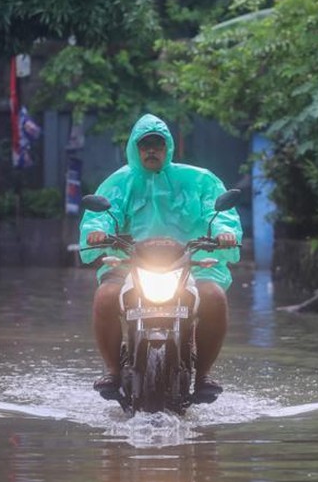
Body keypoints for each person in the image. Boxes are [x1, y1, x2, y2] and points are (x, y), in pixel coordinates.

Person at [79, 114, 242, 403]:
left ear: (168, 147)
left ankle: (203, 375)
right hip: (129, 262)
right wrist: (97, 231)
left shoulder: (199, 179)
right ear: (135, 148)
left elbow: (218, 212)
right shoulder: (120, 182)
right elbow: (103, 214)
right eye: (145, 145)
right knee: (105, 296)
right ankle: (113, 370)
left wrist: (223, 231)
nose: (151, 150)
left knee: (214, 297)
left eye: (157, 144)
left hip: (190, 262)